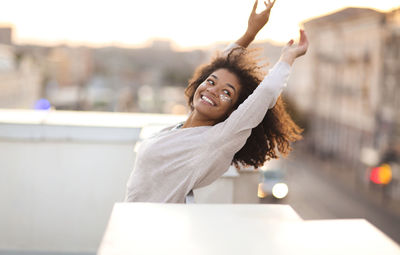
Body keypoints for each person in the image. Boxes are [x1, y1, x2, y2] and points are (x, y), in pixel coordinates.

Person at [124, 0, 308, 203]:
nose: (212, 91)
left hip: (151, 230)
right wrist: (250, 32)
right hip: (134, 221)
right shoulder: (183, 128)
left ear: (232, 112)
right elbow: (220, 65)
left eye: (226, 93)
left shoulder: (214, 140)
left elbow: (266, 92)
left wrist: (288, 58)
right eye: (210, 82)